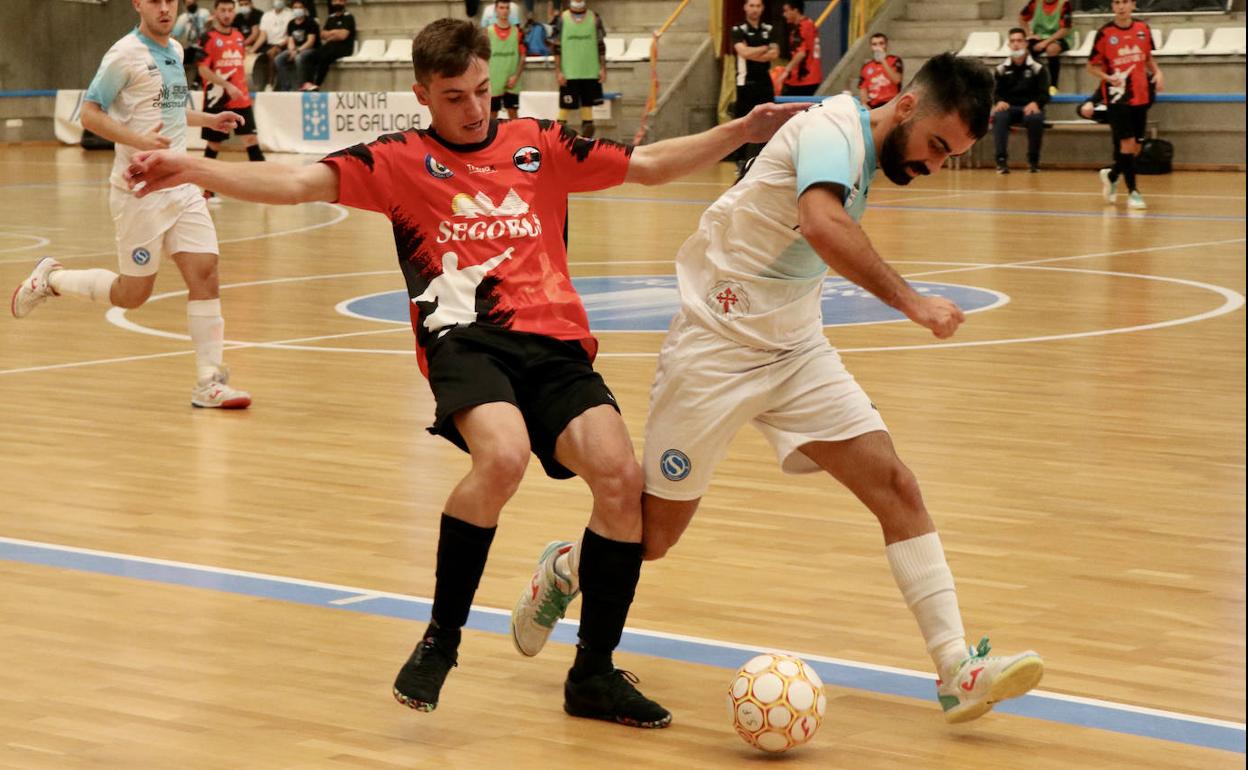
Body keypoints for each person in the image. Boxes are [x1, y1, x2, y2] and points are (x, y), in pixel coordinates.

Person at [124, 17, 805, 728]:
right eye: (455, 97)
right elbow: (296, 181)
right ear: (423, 95)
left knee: (621, 482)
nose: (475, 109)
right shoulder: (397, 160)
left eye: (483, 90)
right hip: (467, 342)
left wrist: (744, 128)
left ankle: (593, 675)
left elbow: (649, 165)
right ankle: (441, 640)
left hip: (556, 347)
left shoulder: (538, 144)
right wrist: (195, 167)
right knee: (503, 456)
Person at [511, 53, 1046, 727]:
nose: (935, 165)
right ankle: (566, 567)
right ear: (905, 106)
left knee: (897, 485)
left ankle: (956, 668)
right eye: (938, 146)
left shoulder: (866, 151)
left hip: (796, 351)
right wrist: (912, 302)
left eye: (952, 157)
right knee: (651, 538)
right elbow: (822, 225)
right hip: (715, 349)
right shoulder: (831, 129)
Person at [10, 0, 251, 410]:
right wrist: (138, 141)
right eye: (154, 0)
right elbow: (88, 114)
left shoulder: (174, 50)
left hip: (180, 182)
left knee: (205, 271)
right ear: (138, 4)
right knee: (133, 293)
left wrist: (209, 121)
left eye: (170, 1)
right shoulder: (123, 55)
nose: (164, 8)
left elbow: (170, 109)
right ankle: (51, 280)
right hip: (137, 191)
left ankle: (209, 381)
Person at [1088, 0, 1162, 210]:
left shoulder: (1143, 29)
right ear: (1112, 6)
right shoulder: (1105, 33)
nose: (1121, 7)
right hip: (1117, 97)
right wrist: (1107, 77)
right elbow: (1091, 66)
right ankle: (1134, 192)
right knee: (1127, 144)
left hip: (1141, 95)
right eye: (1117, 2)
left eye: (1125, 2)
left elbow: (1148, 58)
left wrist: (1158, 72)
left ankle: (1112, 175)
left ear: (1133, 5)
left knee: (1136, 147)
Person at [199, 0, 266, 203]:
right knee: (214, 144)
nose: (227, 14)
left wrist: (240, 89)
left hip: (241, 100)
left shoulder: (238, 37)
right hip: (217, 99)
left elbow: (238, 68)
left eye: (230, 10)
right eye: (223, 10)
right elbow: (203, 70)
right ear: (215, 12)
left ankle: (266, 187)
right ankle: (207, 190)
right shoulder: (208, 38)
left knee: (251, 142)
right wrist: (226, 85)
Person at [991, 27, 1049, 174]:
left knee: (1036, 118)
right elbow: (994, 92)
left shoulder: (1038, 68)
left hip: (1030, 108)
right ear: (1008, 45)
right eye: (1012, 41)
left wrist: (1036, 103)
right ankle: (1001, 161)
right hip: (1009, 108)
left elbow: (1044, 94)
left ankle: (1033, 161)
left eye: (1019, 41)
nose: (1016, 44)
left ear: (1026, 44)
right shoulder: (1001, 69)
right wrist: (998, 101)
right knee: (999, 116)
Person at [731, 0, 780, 174]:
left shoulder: (769, 29)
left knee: (770, 121)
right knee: (743, 122)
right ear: (745, 7)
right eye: (751, 5)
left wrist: (754, 52)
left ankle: (766, 159)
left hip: (765, 83)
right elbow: (743, 52)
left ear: (762, 9)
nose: (755, 9)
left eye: (758, 6)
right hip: (745, 83)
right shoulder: (738, 29)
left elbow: (774, 54)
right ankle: (740, 159)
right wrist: (764, 49)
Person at [552, 0, 607, 138]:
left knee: (588, 120)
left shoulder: (595, 18)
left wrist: (602, 68)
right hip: (569, 74)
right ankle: (557, 146)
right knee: (563, 114)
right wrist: (558, 71)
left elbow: (601, 45)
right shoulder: (561, 19)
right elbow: (556, 48)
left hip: (590, 72)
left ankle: (586, 147)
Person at [1019, 0, 1071, 93]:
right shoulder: (1035, 2)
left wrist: (1045, 42)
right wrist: (1028, 34)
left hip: (1060, 37)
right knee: (1025, 49)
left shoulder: (1064, 4)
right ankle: (1030, 83)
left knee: (1051, 49)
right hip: (1040, 36)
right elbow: (1022, 18)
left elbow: (1065, 29)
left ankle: (1053, 85)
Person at [487, 1, 526, 120]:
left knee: (513, 115)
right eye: (501, 7)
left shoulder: (517, 32)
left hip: (512, 81)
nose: (504, 10)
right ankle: (492, 139)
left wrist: (516, 76)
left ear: (510, 10)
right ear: (496, 10)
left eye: (507, 8)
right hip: (493, 82)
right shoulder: (488, 32)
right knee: (492, 116)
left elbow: (523, 56)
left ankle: (516, 139)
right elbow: (482, 57)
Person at [311, 0, 357, 90]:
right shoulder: (331, 18)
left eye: (339, 1)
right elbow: (322, 35)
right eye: (335, 1)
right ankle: (308, 82)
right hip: (331, 45)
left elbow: (343, 36)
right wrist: (336, 32)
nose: (337, 3)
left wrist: (330, 34)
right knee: (313, 55)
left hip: (344, 47)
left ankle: (316, 84)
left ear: (344, 2)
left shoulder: (348, 17)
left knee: (325, 56)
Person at [275, 0, 320, 91]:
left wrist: (297, 51)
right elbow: (290, 40)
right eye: (295, 8)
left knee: (298, 58)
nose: (297, 10)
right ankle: (285, 86)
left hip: (311, 49)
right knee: (278, 59)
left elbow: (310, 42)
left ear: (304, 9)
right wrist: (292, 51)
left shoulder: (311, 22)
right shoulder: (291, 23)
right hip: (296, 49)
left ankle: (302, 85)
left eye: (300, 7)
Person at [780, 0, 821, 96]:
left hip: (803, 79)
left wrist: (786, 71)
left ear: (795, 10)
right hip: (810, 77)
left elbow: (801, 53)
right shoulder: (808, 24)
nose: (784, 14)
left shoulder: (802, 27)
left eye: (786, 11)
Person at [253, 0, 294, 92]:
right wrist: (252, 50)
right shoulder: (267, 15)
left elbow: (290, 36)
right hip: (269, 44)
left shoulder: (291, 14)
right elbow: (263, 36)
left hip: (284, 44)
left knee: (272, 53)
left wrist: (279, 45)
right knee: (255, 55)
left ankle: (270, 83)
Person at [857, 33, 902, 109]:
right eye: (874, 44)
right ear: (871, 47)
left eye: (881, 43)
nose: (878, 47)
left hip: (891, 104)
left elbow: (897, 80)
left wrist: (883, 60)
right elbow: (863, 90)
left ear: (886, 45)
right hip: (873, 106)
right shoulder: (866, 66)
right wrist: (865, 105)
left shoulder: (894, 60)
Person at [173, 0, 212, 86]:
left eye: (192, 2)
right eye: (188, 3)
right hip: (192, 47)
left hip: (206, 44)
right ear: (185, 4)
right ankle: (191, 82)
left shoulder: (205, 13)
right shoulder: (183, 18)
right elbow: (174, 35)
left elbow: (211, 27)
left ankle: (198, 80)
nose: (191, 4)